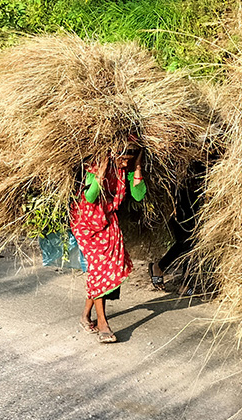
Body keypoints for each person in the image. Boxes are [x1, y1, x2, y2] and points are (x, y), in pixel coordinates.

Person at [73, 145, 144, 344]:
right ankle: (103, 324)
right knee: (99, 269)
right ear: (113, 154)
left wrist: (137, 168)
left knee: (104, 269)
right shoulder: (95, 167)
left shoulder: (126, 170)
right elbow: (90, 196)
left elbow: (138, 195)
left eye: (130, 158)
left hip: (108, 222)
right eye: (124, 157)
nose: (126, 161)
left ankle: (85, 316)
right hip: (86, 223)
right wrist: (101, 172)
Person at [148, 158, 207, 295]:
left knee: (186, 244)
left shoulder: (205, 155)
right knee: (189, 244)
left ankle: (160, 267)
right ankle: (184, 284)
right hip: (181, 202)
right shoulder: (185, 158)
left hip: (194, 201)